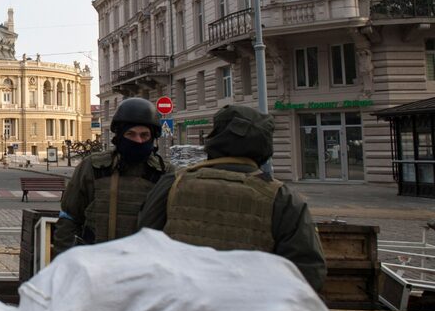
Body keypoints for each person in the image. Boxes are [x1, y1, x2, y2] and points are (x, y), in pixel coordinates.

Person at [138, 105, 326, 291]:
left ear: (214, 139)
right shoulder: (283, 198)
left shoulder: (173, 183)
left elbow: (142, 244)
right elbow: (308, 273)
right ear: (265, 147)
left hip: (179, 308)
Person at [53, 98, 172, 254]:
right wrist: (67, 260)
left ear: (153, 137)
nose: (138, 140)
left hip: (145, 266)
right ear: (120, 135)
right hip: (96, 263)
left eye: (144, 135)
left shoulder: (165, 174)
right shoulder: (92, 167)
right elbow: (69, 218)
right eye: (131, 134)